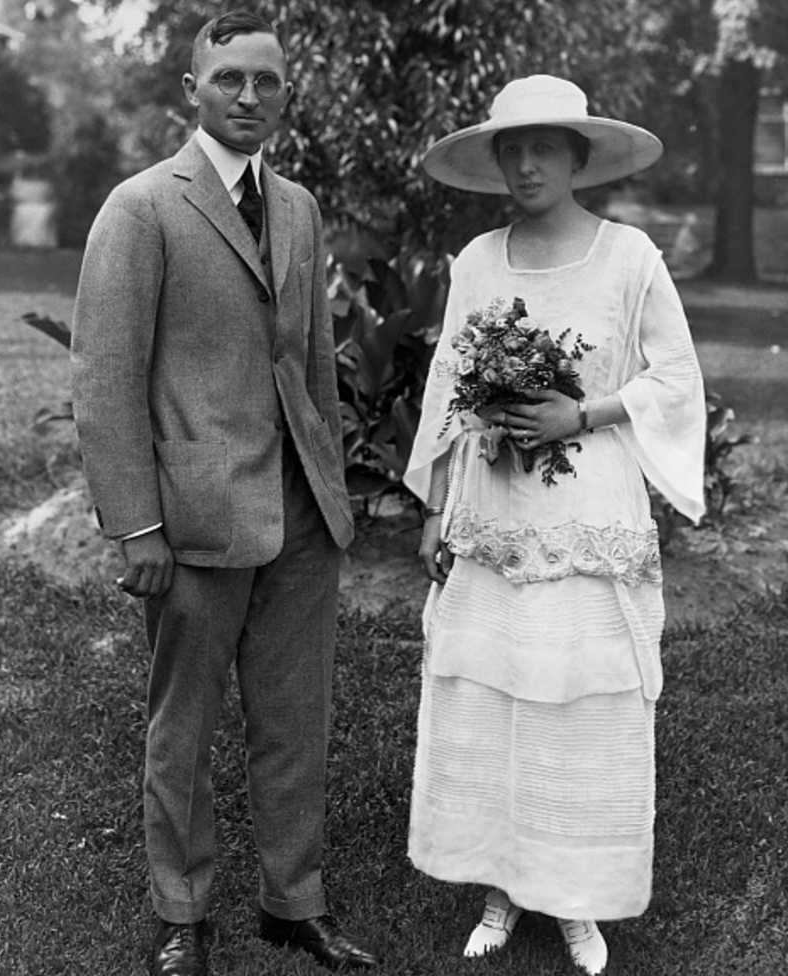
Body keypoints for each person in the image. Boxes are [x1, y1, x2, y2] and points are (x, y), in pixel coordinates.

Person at [70, 10, 380, 976]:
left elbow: (315, 367)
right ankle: (184, 915)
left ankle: (295, 904)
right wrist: (137, 526)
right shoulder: (142, 206)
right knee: (185, 726)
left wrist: (330, 489)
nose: (249, 97)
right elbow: (106, 377)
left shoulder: (297, 207)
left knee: (296, 720)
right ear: (191, 93)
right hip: (194, 519)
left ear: (285, 93)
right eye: (229, 80)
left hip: (297, 513)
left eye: (267, 81)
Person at [404, 75, 706, 975]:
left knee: (579, 695)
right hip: (494, 510)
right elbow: (448, 397)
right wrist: (434, 508)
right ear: (496, 160)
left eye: (546, 146)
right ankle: (500, 889)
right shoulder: (476, 262)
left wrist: (586, 413)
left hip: (586, 508)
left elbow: (677, 377)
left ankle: (576, 899)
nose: (528, 162)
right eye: (513, 147)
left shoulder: (630, 257)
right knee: (497, 689)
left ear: (579, 156)